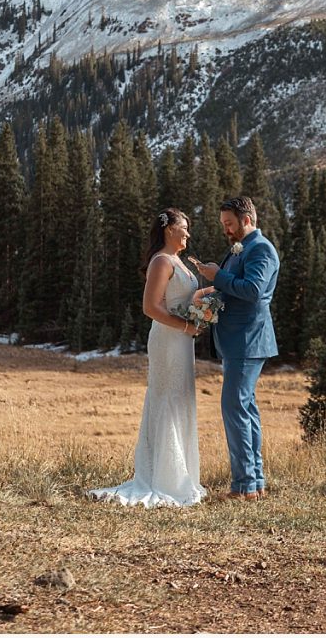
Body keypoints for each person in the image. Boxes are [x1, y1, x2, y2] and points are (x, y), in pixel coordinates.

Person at [89, 207, 207, 507]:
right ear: (169, 230)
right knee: (166, 397)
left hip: (182, 339)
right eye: (184, 228)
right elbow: (151, 307)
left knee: (181, 398)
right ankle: (165, 479)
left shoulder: (180, 261)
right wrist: (185, 325)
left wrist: (205, 306)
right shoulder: (161, 261)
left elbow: (183, 298)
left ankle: (183, 476)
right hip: (168, 339)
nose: (188, 234)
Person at [190, 195, 279, 500]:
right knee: (245, 408)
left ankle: (244, 486)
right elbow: (234, 288)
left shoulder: (261, 249)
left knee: (234, 408)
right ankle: (254, 482)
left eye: (229, 224)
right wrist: (211, 291)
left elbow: (253, 290)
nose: (226, 230)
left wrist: (218, 275)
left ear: (247, 220)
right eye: (223, 224)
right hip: (237, 339)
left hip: (247, 339)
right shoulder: (241, 249)